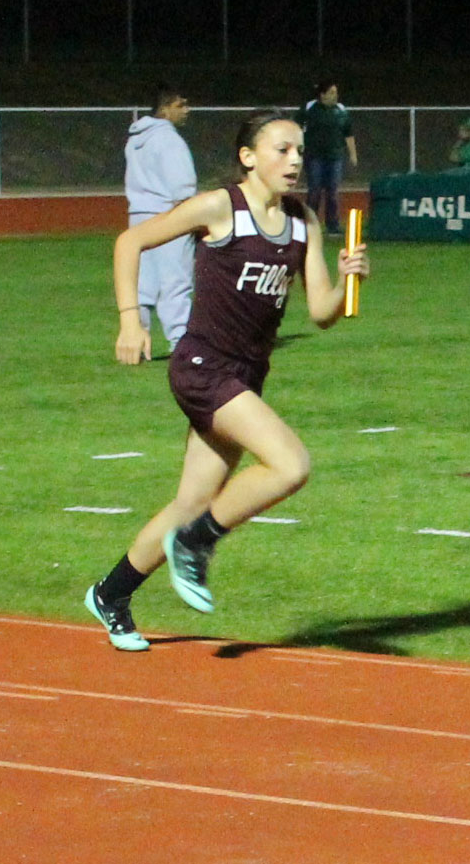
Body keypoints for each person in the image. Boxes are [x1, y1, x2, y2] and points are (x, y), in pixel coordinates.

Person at [83, 108, 370, 651]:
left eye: (300, 152)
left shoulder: (302, 221)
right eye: (281, 150)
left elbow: (323, 312)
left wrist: (348, 281)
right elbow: (130, 243)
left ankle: (111, 593)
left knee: (191, 501)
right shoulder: (221, 207)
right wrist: (130, 319)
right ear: (247, 157)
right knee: (290, 464)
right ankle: (197, 543)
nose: (294, 161)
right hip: (201, 367)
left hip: (245, 375)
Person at [124, 82, 197, 354]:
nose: (186, 110)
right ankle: (183, 345)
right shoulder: (169, 139)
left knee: (142, 289)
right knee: (175, 284)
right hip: (168, 220)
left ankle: (137, 343)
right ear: (165, 109)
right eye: (181, 104)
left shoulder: (135, 139)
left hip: (138, 219)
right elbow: (182, 189)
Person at [295, 79, 358, 236]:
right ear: (322, 95)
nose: (335, 96)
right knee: (314, 190)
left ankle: (333, 226)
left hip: (335, 157)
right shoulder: (309, 108)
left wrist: (353, 154)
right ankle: (310, 224)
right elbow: (295, 127)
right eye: (331, 92)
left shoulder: (341, 110)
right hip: (314, 156)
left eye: (336, 93)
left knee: (333, 192)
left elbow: (348, 133)